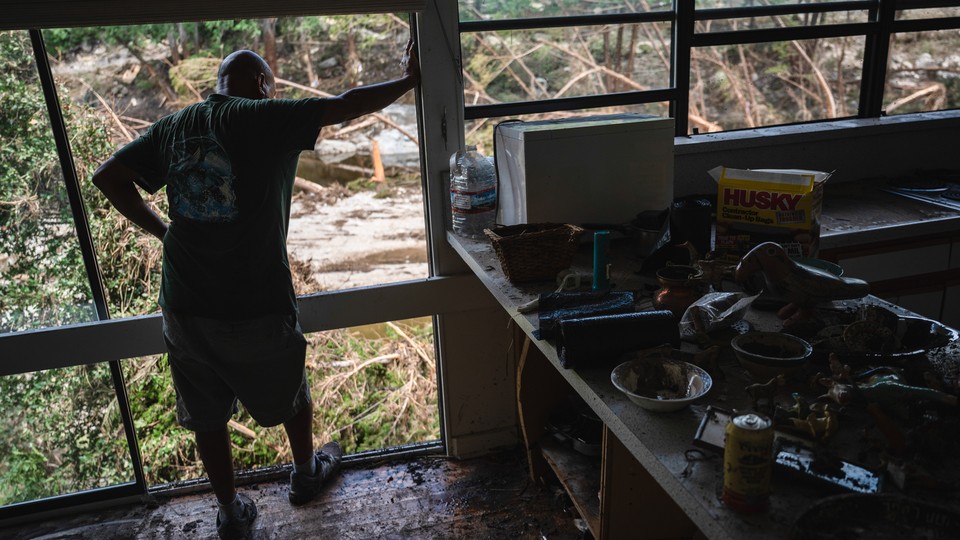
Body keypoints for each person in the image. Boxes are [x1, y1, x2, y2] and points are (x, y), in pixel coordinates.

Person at [92, 40, 420, 539]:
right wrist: (410, 80)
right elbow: (348, 102)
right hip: (255, 297)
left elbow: (109, 177)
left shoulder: (173, 126)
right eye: (272, 85)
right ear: (264, 85)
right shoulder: (261, 116)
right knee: (290, 389)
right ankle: (307, 474)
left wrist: (165, 232)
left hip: (182, 301)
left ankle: (229, 514)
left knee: (206, 414)